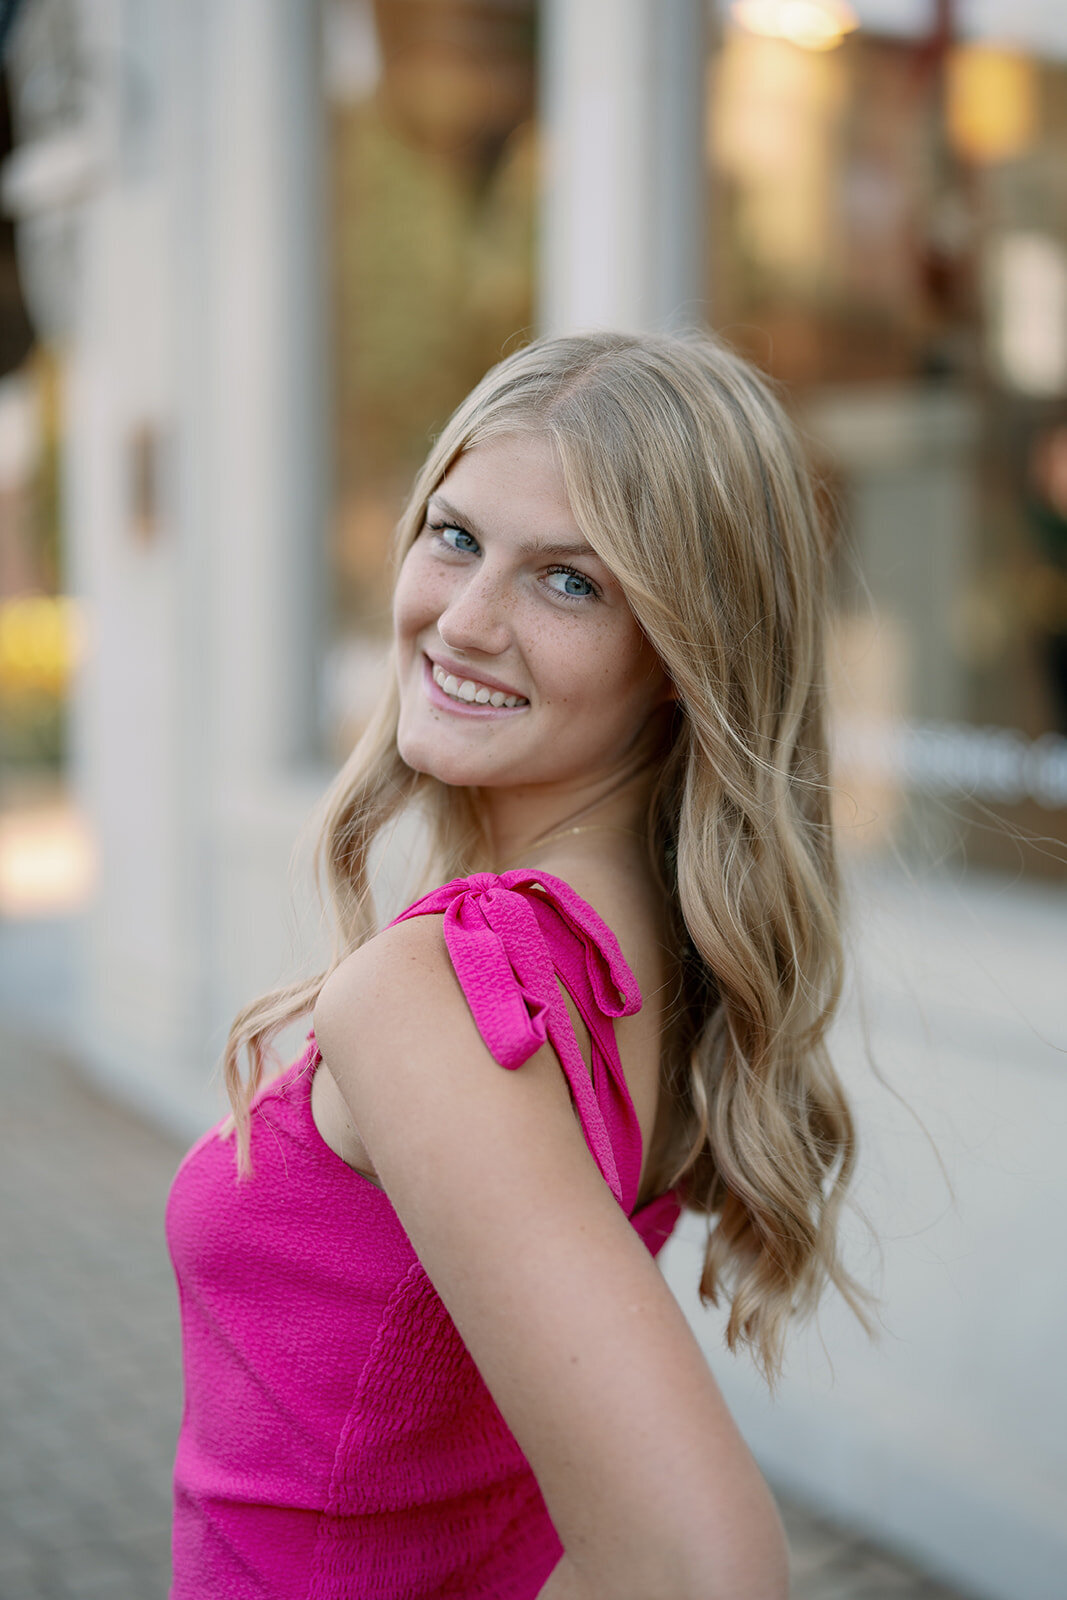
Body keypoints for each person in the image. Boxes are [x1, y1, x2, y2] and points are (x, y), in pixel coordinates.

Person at [166, 330, 870, 1599]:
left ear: (684, 655)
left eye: (567, 583)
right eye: (454, 536)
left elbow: (703, 1568)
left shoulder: (441, 991)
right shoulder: (646, 944)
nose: (463, 620)